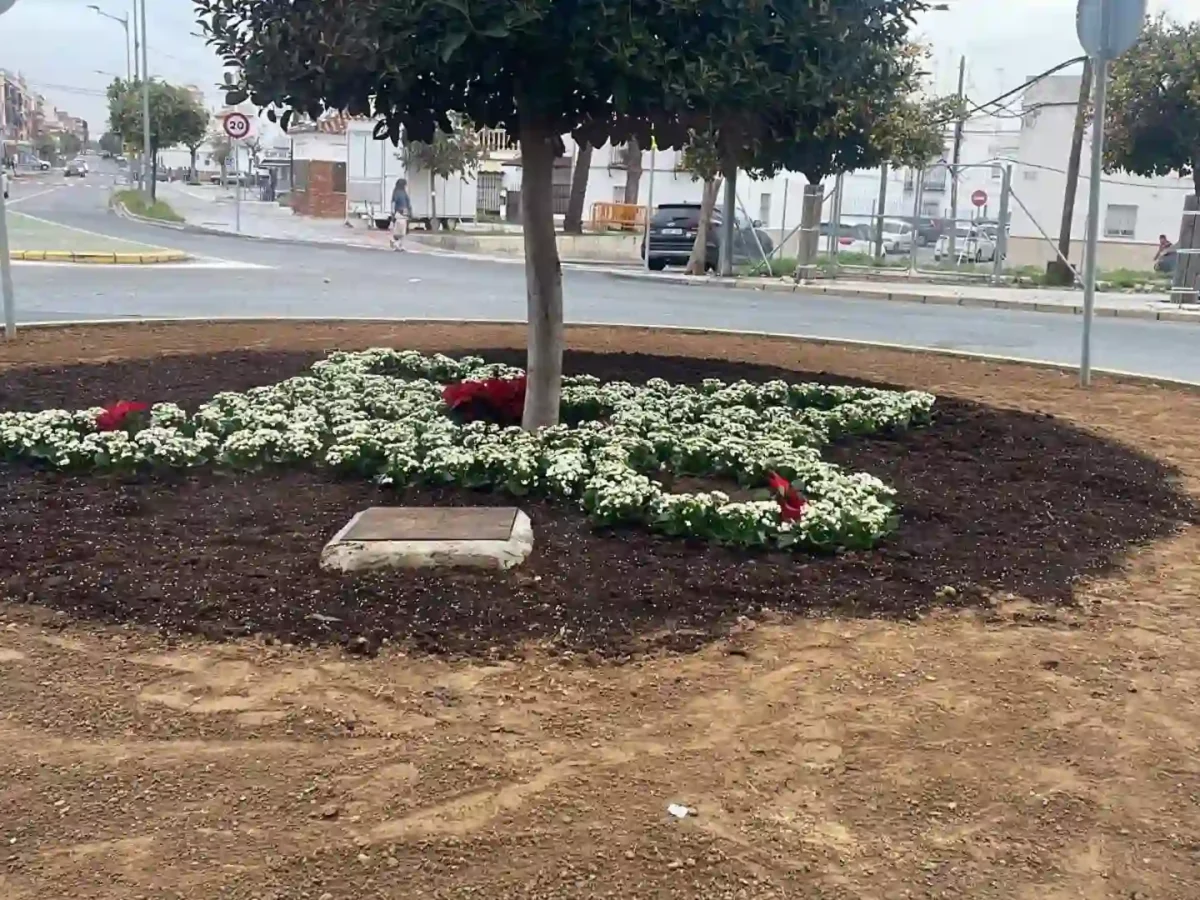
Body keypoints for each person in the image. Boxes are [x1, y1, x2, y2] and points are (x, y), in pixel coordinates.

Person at [390, 177, 412, 251]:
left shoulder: (399, 192)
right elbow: (394, 202)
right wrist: (393, 212)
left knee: (401, 230)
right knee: (401, 230)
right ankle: (396, 243)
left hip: (402, 213)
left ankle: (399, 244)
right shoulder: (399, 192)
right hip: (400, 213)